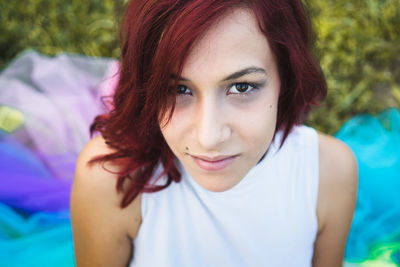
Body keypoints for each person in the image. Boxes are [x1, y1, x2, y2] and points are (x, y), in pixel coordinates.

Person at [70, 0, 358, 266]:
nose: (209, 138)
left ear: (287, 76)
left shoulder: (327, 174)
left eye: (242, 87)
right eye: (177, 89)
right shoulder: (112, 179)